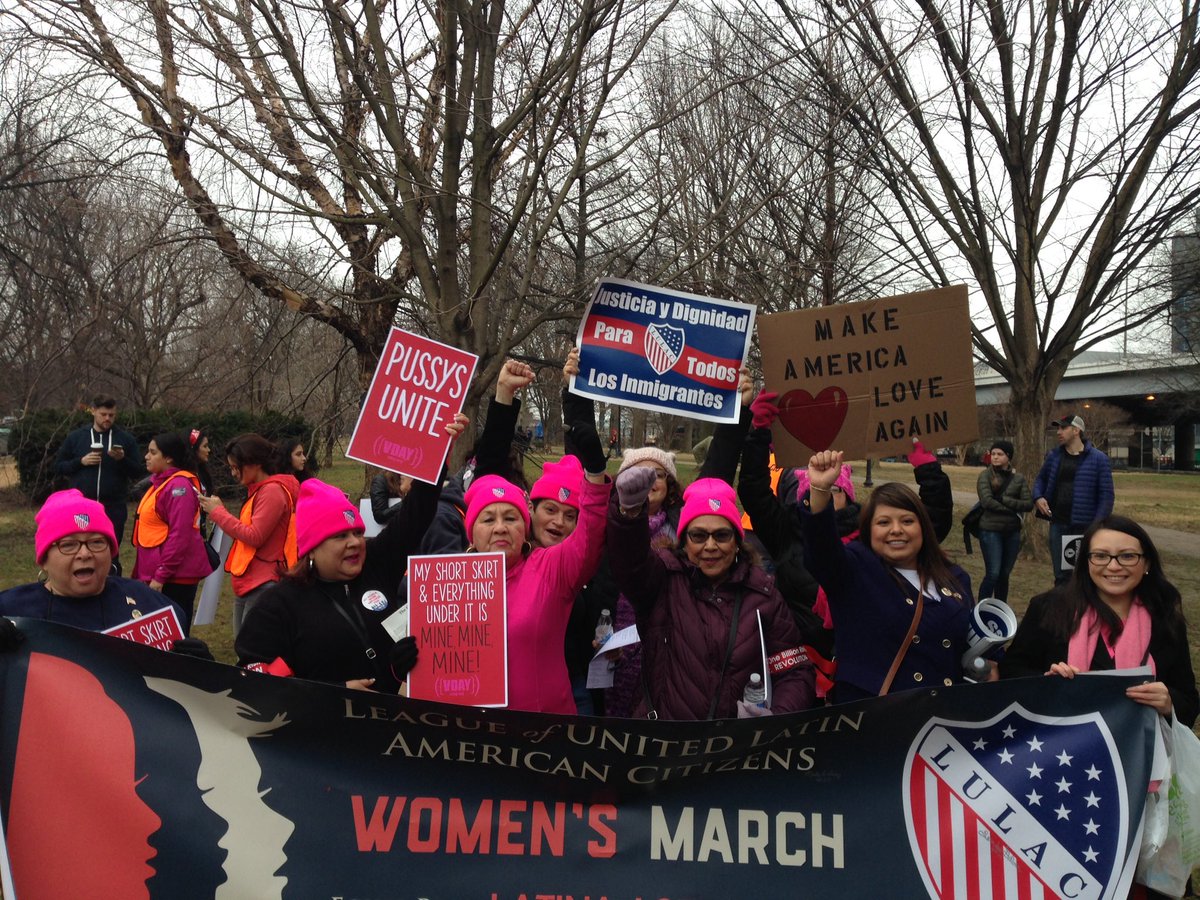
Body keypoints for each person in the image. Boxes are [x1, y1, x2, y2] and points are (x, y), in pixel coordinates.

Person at [606, 470, 814, 720]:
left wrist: (774, 717)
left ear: (737, 540)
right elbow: (631, 564)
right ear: (684, 540)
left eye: (722, 535)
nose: (711, 546)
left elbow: (794, 672)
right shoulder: (662, 579)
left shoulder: (764, 594)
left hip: (733, 749)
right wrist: (629, 514)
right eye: (699, 535)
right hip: (664, 744)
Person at [235, 469, 449, 691]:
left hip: (392, 719)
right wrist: (334, 692)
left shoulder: (376, 564)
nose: (355, 542)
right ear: (311, 549)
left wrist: (438, 457)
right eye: (340, 536)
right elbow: (254, 681)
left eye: (357, 532)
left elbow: (417, 513)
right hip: (325, 724)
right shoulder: (277, 606)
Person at [801, 449, 977, 703]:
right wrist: (819, 490)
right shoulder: (855, 568)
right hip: (878, 718)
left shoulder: (954, 576)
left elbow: (970, 641)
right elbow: (821, 550)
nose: (896, 530)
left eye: (907, 521)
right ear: (868, 531)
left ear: (923, 528)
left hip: (943, 715)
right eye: (883, 523)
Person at [1000, 515, 1197, 727]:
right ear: (1086, 561)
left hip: (1142, 750)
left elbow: (1188, 699)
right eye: (1101, 556)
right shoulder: (1049, 608)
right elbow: (1011, 673)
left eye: (1128, 556)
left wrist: (1169, 704)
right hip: (1061, 748)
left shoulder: (1165, 617)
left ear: (1146, 562)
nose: (1113, 566)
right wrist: (1047, 682)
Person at [460, 461, 611, 714]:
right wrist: (404, 666)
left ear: (525, 525)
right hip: (475, 734)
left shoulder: (549, 568)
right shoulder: (447, 581)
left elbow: (589, 538)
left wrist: (594, 476)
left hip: (543, 730)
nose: (500, 527)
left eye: (510, 518)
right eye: (488, 519)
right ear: (471, 533)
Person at [0, 490, 208, 660]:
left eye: (97, 542)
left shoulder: (149, 604)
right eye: (68, 545)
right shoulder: (10, 612)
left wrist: (199, 672)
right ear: (44, 559)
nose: (85, 553)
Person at [197, 434, 299, 636]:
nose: (234, 473)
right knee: (243, 645)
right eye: (232, 467)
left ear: (256, 463)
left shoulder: (271, 492)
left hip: (264, 583)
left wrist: (219, 513)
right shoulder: (260, 491)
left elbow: (255, 536)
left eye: (237, 467)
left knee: (252, 651)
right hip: (250, 582)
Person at [131, 432, 214, 634]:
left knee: (175, 635)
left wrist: (161, 575)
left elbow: (180, 535)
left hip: (174, 578)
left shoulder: (179, 486)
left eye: (152, 452)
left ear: (168, 458)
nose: (146, 457)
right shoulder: (159, 484)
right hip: (156, 574)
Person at [52, 397, 144, 562]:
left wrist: (122, 459)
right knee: (82, 551)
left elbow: (138, 471)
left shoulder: (125, 439)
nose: (107, 418)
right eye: (103, 414)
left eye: (111, 415)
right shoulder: (76, 437)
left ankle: (113, 583)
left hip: (113, 507)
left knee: (110, 552)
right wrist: (80, 462)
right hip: (82, 506)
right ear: (93, 411)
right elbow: (58, 467)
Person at [1033, 413, 1115, 584]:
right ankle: (1062, 609)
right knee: (1061, 575)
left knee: (1084, 575)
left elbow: (1106, 496)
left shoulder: (1098, 459)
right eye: (1058, 428)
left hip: (1085, 527)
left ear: (1076, 430)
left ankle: (1085, 609)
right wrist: (1038, 497)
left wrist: (1097, 525)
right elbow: (1041, 479)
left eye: (1063, 428)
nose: (1058, 432)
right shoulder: (1054, 456)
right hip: (1058, 523)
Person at [974, 439, 1033, 602]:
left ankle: (1000, 608)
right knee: (993, 573)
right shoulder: (985, 476)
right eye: (993, 454)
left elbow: (1028, 503)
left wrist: (1005, 501)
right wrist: (1012, 509)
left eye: (999, 454)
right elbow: (987, 501)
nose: (995, 457)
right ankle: (981, 609)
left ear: (1008, 456)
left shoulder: (1018, 479)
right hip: (990, 530)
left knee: (1004, 574)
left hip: (1012, 531)